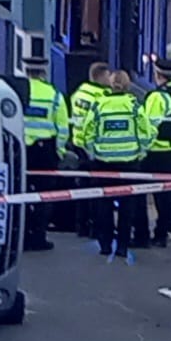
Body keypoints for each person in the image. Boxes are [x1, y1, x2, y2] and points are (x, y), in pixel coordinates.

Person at [77, 69, 154, 258]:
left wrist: (92, 150)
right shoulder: (134, 106)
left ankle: (105, 244)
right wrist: (142, 150)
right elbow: (146, 131)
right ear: (128, 86)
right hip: (129, 163)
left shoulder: (99, 105)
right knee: (127, 207)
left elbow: (87, 131)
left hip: (103, 162)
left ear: (110, 85)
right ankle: (122, 247)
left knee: (103, 204)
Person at [20, 57, 69, 252]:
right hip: (45, 151)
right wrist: (59, 151)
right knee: (45, 195)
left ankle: (22, 235)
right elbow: (62, 127)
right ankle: (39, 236)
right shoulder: (54, 95)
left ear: (26, 71)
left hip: (21, 150)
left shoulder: (18, 92)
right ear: (43, 73)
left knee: (20, 194)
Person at [142, 59, 171, 247]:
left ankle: (149, 234)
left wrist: (143, 148)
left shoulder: (157, 97)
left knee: (145, 193)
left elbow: (148, 126)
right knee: (167, 194)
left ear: (158, 75)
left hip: (155, 152)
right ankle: (164, 232)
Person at [66, 64, 111, 238]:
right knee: (97, 190)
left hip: (79, 144)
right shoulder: (102, 96)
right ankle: (96, 226)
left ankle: (81, 225)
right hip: (94, 148)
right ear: (100, 77)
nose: (110, 79)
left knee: (82, 187)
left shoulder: (80, 92)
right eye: (108, 75)